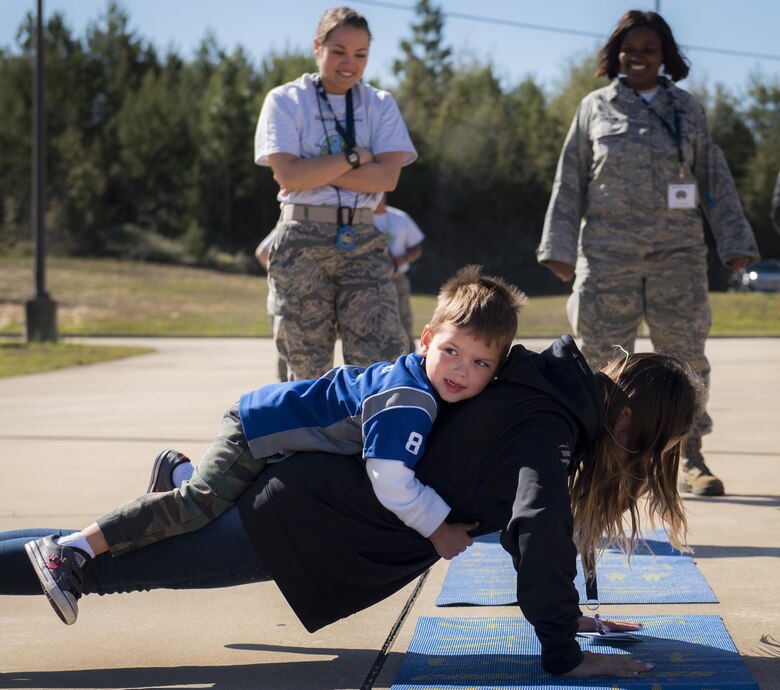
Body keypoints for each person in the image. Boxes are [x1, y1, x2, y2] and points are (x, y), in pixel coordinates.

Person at [2, 336, 700, 678]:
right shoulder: (549, 426)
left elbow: (521, 520)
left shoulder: (548, 399)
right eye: (651, 441)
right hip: (302, 518)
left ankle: (145, 499)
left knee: (107, 554)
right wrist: (563, 649)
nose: (642, 457)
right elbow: (537, 522)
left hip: (310, 506)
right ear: (635, 414)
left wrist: (565, 611)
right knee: (106, 567)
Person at [23, 265, 526, 625]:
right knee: (195, 508)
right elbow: (390, 477)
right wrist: (437, 527)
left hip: (269, 432)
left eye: (480, 363)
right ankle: (69, 550)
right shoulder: (411, 401)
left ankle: (177, 471)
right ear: (425, 340)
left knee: (204, 495)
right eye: (452, 352)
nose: (462, 370)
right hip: (256, 432)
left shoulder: (419, 383)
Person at [536, 9, 759, 497]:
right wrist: (558, 247)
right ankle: (595, 457)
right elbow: (569, 179)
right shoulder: (595, 107)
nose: (636, 56)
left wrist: (735, 242)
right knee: (599, 359)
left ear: (665, 57)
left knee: (684, 361)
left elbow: (714, 177)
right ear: (615, 53)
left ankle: (687, 459)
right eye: (628, 48)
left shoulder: (687, 110)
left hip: (676, 256)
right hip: (607, 255)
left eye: (648, 49)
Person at [255, 6, 416, 381]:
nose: (350, 63)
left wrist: (316, 171)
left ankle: (370, 438)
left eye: (361, 55)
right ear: (317, 47)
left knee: (381, 358)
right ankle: (306, 442)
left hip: (362, 238)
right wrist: (356, 158)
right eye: (339, 51)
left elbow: (388, 179)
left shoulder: (380, 104)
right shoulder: (285, 100)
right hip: (301, 242)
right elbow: (289, 175)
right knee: (306, 364)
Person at [373, 193, 425, 351]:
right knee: (371, 324)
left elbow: (416, 248)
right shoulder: (359, 217)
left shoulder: (400, 218)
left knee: (403, 321)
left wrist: (403, 258)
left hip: (396, 278)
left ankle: (409, 359)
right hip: (368, 279)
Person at [255, 230, 289, 382]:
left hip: (278, 303)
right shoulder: (287, 226)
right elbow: (262, 252)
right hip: (284, 303)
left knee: (284, 356)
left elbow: (262, 252)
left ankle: (283, 397)